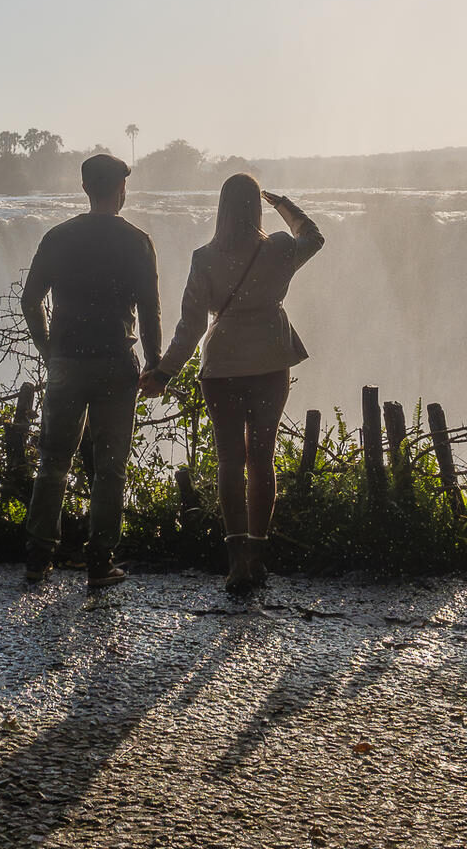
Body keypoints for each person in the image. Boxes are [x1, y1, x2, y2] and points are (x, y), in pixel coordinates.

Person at [142, 174, 323, 593]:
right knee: (262, 458)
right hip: (271, 358)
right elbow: (313, 237)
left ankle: (236, 560)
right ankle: (258, 555)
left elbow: (190, 327)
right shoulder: (279, 248)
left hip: (222, 364)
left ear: (220, 209)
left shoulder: (204, 257)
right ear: (256, 208)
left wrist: (165, 373)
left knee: (229, 461)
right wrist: (285, 205)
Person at [18, 152, 160, 590]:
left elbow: (30, 301)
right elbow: (150, 312)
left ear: (84, 188)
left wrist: (48, 349)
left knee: (53, 461)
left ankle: (38, 558)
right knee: (110, 468)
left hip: (66, 363)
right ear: (120, 190)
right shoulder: (137, 240)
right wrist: (155, 365)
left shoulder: (58, 237)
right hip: (117, 364)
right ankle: (100, 562)